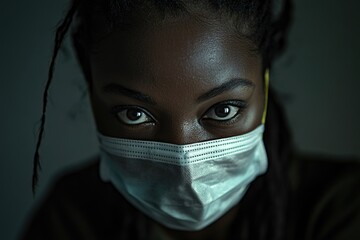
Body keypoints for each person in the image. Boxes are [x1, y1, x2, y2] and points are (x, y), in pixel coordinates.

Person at [21, 0, 360, 239]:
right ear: (92, 94)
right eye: (134, 114)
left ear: (265, 88)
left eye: (223, 110)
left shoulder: (342, 207)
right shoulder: (72, 217)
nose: (183, 159)